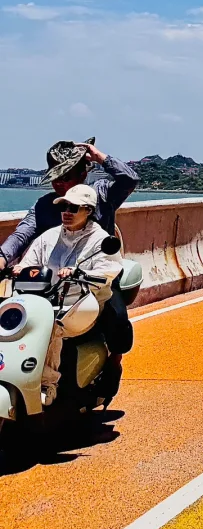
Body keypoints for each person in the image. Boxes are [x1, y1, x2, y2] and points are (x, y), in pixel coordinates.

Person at [0, 138, 139, 367]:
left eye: (66, 177)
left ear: (82, 174)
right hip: (52, 281)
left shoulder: (101, 194)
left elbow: (129, 180)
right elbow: (21, 235)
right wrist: (2, 258)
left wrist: (100, 157)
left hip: (93, 278)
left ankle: (114, 363)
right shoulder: (45, 205)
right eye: (55, 178)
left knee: (116, 317)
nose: (59, 184)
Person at [14, 184, 124, 406]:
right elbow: (29, 263)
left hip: (83, 303)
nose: (66, 212)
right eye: (64, 207)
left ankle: (47, 385)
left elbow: (109, 271)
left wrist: (81, 273)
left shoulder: (99, 240)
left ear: (88, 210)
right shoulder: (49, 237)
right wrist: (19, 268)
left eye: (73, 208)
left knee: (51, 326)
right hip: (46, 301)